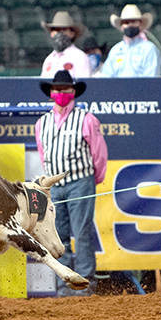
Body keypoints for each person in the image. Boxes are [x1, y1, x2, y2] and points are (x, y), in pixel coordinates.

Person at [35, 70, 108, 296]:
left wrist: (92, 180)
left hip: (80, 182)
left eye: (65, 90)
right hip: (54, 186)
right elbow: (42, 152)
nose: (61, 93)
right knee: (58, 236)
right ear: (51, 93)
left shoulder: (87, 119)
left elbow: (99, 154)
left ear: (73, 92)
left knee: (82, 232)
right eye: (57, 90)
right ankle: (64, 285)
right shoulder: (42, 122)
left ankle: (85, 285)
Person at [97, 4, 161, 77]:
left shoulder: (149, 49)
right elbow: (106, 76)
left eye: (133, 21)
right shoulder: (115, 50)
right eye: (126, 22)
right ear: (121, 26)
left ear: (140, 24)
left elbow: (151, 79)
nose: (130, 24)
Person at [39, 11, 92, 79]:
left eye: (63, 29)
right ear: (51, 34)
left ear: (72, 33)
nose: (59, 34)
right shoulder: (49, 59)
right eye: (56, 29)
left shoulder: (80, 57)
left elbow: (83, 85)